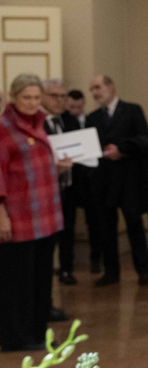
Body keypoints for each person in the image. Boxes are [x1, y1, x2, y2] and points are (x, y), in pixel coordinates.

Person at [0, 74, 71, 352]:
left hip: (45, 215)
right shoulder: (4, 128)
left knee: (41, 279)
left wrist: (59, 168)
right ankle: (16, 337)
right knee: (18, 282)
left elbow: (36, 165)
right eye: (25, 98)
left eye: (36, 98)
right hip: (17, 219)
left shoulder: (41, 123)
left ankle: (37, 333)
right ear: (13, 98)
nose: (32, 103)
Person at [86, 75, 148, 286]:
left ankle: (143, 271)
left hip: (129, 180)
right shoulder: (92, 117)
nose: (95, 92)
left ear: (111, 86)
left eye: (98, 87)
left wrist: (121, 150)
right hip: (103, 182)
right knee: (106, 228)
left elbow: (145, 139)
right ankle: (111, 273)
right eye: (92, 89)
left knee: (134, 225)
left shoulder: (132, 110)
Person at [42, 79, 78, 296]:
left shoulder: (69, 121)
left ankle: (67, 269)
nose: (59, 100)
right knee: (48, 239)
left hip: (68, 187)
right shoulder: (37, 123)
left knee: (68, 231)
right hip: (45, 191)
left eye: (63, 96)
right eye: (54, 95)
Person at [65, 89, 103, 274]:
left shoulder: (92, 120)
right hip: (71, 181)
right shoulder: (63, 122)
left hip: (91, 181)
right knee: (67, 225)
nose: (75, 110)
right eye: (72, 107)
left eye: (79, 107)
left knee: (94, 222)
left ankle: (96, 259)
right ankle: (67, 266)